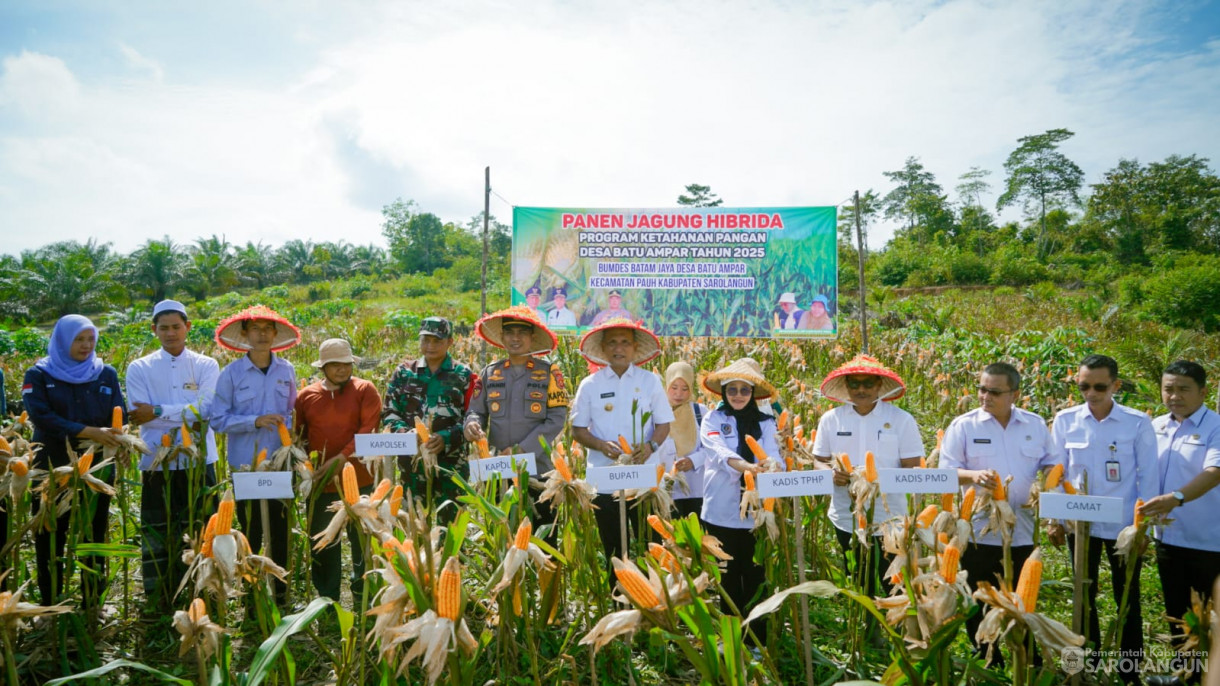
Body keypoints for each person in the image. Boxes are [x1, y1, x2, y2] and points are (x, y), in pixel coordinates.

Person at [1048, 354, 1155, 677]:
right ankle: (1088, 664)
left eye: (1099, 387)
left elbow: (1148, 477)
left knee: (1127, 595)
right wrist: (1054, 519)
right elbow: (1056, 473)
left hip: (1124, 525)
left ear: (1116, 385)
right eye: (1084, 386)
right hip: (1080, 524)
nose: (1091, 393)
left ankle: (1129, 669)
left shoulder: (1137, 423)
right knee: (1083, 594)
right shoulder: (1066, 420)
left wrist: (1144, 528)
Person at [939, 361, 1057, 650]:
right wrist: (973, 475)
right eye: (981, 389)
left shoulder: (1034, 425)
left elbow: (1052, 464)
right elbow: (946, 472)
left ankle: (1024, 656)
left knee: (1022, 600)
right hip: (979, 532)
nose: (985, 396)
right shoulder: (964, 425)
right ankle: (986, 656)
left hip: (1022, 530)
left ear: (1014, 394)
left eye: (994, 391)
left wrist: (1051, 490)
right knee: (979, 601)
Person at [22, 315, 123, 611]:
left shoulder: (105, 374)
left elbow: (119, 412)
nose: (86, 345)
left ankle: (92, 603)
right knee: (50, 533)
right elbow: (42, 417)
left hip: (97, 466)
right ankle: (50, 603)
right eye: (79, 339)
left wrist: (116, 435)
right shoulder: (39, 374)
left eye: (90, 339)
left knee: (94, 531)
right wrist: (87, 431)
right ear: (63, 340)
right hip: (51, 466)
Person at [125, 299, 221, 612]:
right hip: (157, 460)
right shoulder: (140, 367)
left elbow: (206, 410)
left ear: (187, 327)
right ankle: (160, 597)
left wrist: (157, 411)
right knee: (159, 531)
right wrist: (182, 415)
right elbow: (139, 415)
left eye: (176, 327)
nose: (170, 333)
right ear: (154, 330)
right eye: (163, 328)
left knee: (202, 529)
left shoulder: (206, 365)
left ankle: (204, 593)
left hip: (199, 460)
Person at [812, 355, 924, 596]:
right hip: (846, 517)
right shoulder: (830, 420)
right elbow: (818, 460)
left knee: (895, 585)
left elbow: (913, 466)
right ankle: (864, 619)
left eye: (868, 383)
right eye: (854, 384)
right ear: (846, 386)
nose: (861, 389)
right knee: (858, 584)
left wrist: (880, 483)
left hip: (890, 518)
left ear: (879, 385)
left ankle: (896, 619)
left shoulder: (901, 420)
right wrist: (830, 473)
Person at [210, 305, 300, 604]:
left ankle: (281, 591)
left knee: (280, 527)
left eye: (267, 329)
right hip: (246, 466)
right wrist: (254, 421)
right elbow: (218, 420)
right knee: (251, 529)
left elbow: (292, 412)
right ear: (245, 334)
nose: (262, 335)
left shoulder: (287, 370)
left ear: (275, 334)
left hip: (280, 463)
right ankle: (252, 595)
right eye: (256, 329)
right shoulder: (231, 374)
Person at [1140, 360, 1220, 686]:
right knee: (1177, 612)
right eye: (1168, 389)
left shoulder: (1216, 427)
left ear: (1203, 391)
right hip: (1168, 538)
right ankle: (1184, 675)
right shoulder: (1155, 426)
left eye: (1183, 389)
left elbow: (1214, 473)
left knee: (1210, 617)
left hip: (1208, 540)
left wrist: (1176, 498)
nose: (1174, 396)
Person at [570, 318, 672, 562]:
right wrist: (601, 445)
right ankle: (617, 588)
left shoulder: (650, 381)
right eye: (612, 343)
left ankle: (651, 587)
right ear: (603, 348)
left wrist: (650, 446)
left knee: (651, 546)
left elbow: (663, 424)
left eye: (625, 342)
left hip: (644, 478)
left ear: (635, 347)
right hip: (605, 478)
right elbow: (578, 430)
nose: (619, 348)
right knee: (614, 550)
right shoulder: (590, 385)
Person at [699, 357, 785, 644]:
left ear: (752, 393)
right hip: (721, 509)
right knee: (727, 578)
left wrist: (772, 466)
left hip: (758, 513)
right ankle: (731, 639)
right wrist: (747, 467)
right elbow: (717, 451)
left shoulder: (766, 422)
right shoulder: (713, 419)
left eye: (744, 390)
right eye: (732, 390)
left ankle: (756, 640)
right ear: (724, 392)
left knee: (755, 577)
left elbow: (774, 456)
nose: (738, 395)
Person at [464, 306, 568, 528]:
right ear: (502, 337)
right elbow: (476, 411)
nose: (516, 338)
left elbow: (557, 419)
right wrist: (472, 423)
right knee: (502, 534)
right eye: (510, 333)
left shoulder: (549, 373)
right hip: (499, 469)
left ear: (532, 337)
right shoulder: (490, 373)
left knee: (542, 534)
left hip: (538, 469)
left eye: (522, 332)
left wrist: (522, 450)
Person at [295, 338, 382, 602]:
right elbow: (299, 435)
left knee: (362, 539)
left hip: (361, 481)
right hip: (322, 481)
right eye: (335, 365)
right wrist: (309, 467)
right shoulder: (306, 396)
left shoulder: (365, 390)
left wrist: (341, 458)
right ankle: (327, 598)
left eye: (346, 364)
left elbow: (368, 429)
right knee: (323, 541)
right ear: (322, 367)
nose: (342, 369)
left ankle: (362, 593)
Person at [382, 317, 478, 512]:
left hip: (452, 463)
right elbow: (390, 412)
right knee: (413, 519)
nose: (430, 346)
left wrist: (447, 437)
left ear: (450, 342)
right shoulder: (404, 373)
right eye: (426, 340)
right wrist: (406, 434)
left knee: (452, 520)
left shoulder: (463, 374)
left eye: (437, 341)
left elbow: (473, 416)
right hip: (412, 462)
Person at [663, 361, 712, 519]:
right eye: (674, 387)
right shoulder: (656, 413)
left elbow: (713, 447)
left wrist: (693, 460)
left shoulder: (701, 412)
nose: (679, 394)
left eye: (685, 389)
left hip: (696, 490)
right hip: (666, 491)